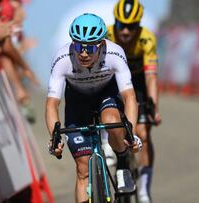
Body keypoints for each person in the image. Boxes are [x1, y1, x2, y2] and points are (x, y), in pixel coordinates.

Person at [45, 13, 143, 203]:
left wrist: (131, 133)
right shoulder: (62, 58)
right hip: (77, 101)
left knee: (112, 122)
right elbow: (52, 104)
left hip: (106, 94)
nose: (83, 53)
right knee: (82, 170)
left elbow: (129, 96)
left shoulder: (115, 53)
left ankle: (122, 162)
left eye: (90, 47)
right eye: (79, 45)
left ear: (102, 44)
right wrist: (54, 137)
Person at [107, 0, 162, 202]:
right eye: (122, 25)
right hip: (113, 83)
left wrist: (153, 108)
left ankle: (144, 190)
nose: (126, 31)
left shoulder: (147, 39)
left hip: (138, 84)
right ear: (115, 23)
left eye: (132, 26)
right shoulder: (108, 35)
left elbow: (151, 77)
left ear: (139, 25)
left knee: (143, 134)